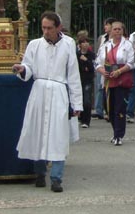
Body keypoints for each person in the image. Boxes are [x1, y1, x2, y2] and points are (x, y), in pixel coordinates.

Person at [12, 11, 83, 193]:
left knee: (58, 134)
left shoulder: (68, 44)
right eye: (43, 28)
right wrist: (22, 69)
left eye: (49, 28)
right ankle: (39, 173)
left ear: (58, 27)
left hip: (58, 92)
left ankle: (56, 178)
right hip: (40, 92)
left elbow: (73, 74)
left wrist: (77, 103)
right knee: (38, 131)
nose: (46, 31)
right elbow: (28, 66)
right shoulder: (35, 45)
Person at [96, 20, 135, 145]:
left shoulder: (127, 45)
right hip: (108, 81)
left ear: (123, 30)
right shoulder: (105, 45)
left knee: (119, 108)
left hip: (121, 80)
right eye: (115, 29)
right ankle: (115, 132)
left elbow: (131, 62)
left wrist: (119, 71)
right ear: (111, 31)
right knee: (109, 108)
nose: (117, 31)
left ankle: (119, 135)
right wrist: (102, 71)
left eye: (119, 29)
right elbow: (97, 63)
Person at [93, 17, 113, 120]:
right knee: (99, 88)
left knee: (109, 89)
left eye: (107, 24)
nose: (105, 27)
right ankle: (98, 110)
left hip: (111, 66)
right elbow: (98, 51)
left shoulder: (117, 38)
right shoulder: (102, 38)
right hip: (101, 66)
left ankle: (108, 110)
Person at [75, 32, 96, 128]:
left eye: (87, 42)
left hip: (88, 79)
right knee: (79, 99)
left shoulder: (91, 55)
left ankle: (86, 121)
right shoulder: (76, 54)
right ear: (80, 44)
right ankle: (80, 117)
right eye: (83, 42)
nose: (86, 44)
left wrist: (86, 61)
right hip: (79, 79)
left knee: (87, 100)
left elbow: (93, 67)